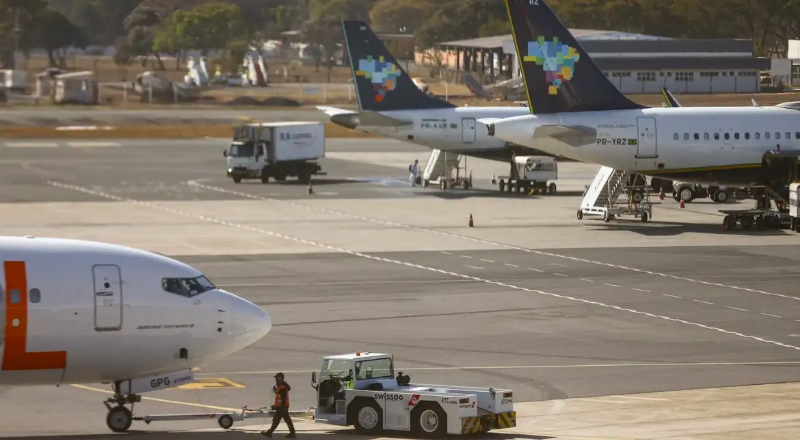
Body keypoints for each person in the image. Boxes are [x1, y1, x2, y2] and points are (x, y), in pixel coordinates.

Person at [262, 373, 296, 438]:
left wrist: (277, 407)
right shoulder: (281, 386)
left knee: (276, 420)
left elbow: (283, 398)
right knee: (288, 420)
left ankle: (269, 432)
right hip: (284, 407)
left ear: (280, 378)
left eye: (276, 378)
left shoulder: (282, 387)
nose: (275, 380)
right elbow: (279, 393)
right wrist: (275, 390)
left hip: (282, 408)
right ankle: (292, 433)